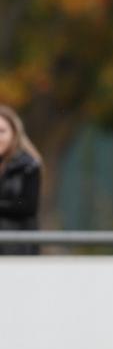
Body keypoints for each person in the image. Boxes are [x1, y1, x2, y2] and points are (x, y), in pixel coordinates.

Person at [0, 105, 42, 255]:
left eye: (2, 131)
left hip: (18, 248)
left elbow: (28, 207)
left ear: (14, 133)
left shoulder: (28, 165)